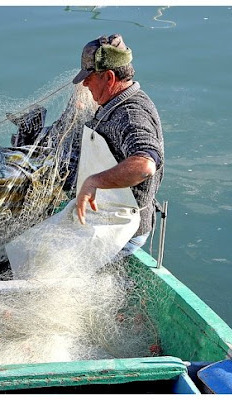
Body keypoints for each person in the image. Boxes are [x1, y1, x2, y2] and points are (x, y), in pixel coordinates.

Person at [71, 34, 164, 257]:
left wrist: (94, 182)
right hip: (102, 215)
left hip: (122, 229)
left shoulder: (131, 115)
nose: (84, 83)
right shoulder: (114, 102)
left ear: (109, 78)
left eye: (89, 77)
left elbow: (145, 165)